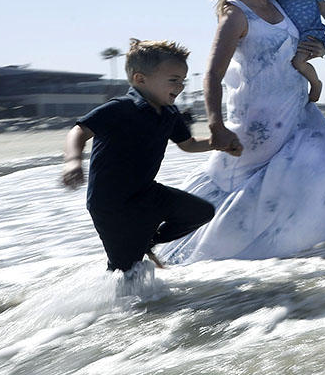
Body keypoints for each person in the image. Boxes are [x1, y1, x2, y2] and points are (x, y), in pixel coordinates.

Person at [161, 0, 325, 263]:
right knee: (254, 194)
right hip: (259, 119)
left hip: (297, 108)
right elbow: (212, 75)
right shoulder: (235, 14)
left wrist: (318, 47)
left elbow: (302, 39)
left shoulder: (279, 1)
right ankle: (198, 257)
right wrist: (216, 125)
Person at [61, 39, 218, 273]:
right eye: (174, 80)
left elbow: (188, 144)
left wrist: (219, 144)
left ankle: (148, 241)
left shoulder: (170, 113)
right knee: (125, 273)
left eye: (182, 81)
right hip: (111, 205)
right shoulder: (121, 108)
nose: (181, 86)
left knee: (200, 212)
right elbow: (78, 131)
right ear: (140, 79)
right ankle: (112, 306)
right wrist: (73, 162)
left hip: (146, 193)